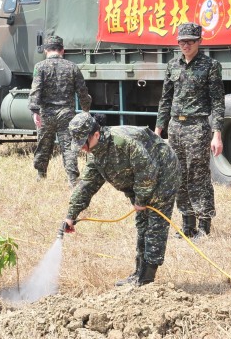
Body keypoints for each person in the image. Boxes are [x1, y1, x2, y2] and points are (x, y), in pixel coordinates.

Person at [63, 112, 180, 286]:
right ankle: (138, 273)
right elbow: (87, 185)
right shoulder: (96, 153)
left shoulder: (122, 142)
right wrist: (71, 215)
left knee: (155, 227)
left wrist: (141, 201)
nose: (82, 148)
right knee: (142, 225)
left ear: (96, 134)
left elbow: (147, 170)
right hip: (143, 181)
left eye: (83, 143)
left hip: (164, 172)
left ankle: (146, 280)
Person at [155, 22, 225, 239]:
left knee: (199, 176)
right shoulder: (172, 66)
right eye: (182, 41)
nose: (185, 45)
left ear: (199, 42)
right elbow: (165, 99)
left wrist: (217, 134)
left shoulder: (210, 66)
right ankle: (187, 225)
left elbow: (218, 102)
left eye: (190, 41)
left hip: (197, 126)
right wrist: (158, 131)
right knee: (179, 175)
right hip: (175, 127)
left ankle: (204, 226)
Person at [28, 35, 91, 186]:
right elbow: (82, 92)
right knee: (69, 147)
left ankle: (40, 175)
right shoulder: (72, 67)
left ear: (45, 50)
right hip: (66, 114)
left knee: (43, 145)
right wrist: (85, 110)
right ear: (63, 50)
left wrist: (35, 111)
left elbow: (36, 90)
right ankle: (73, 180)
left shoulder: (40, 67)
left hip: (46, 114)